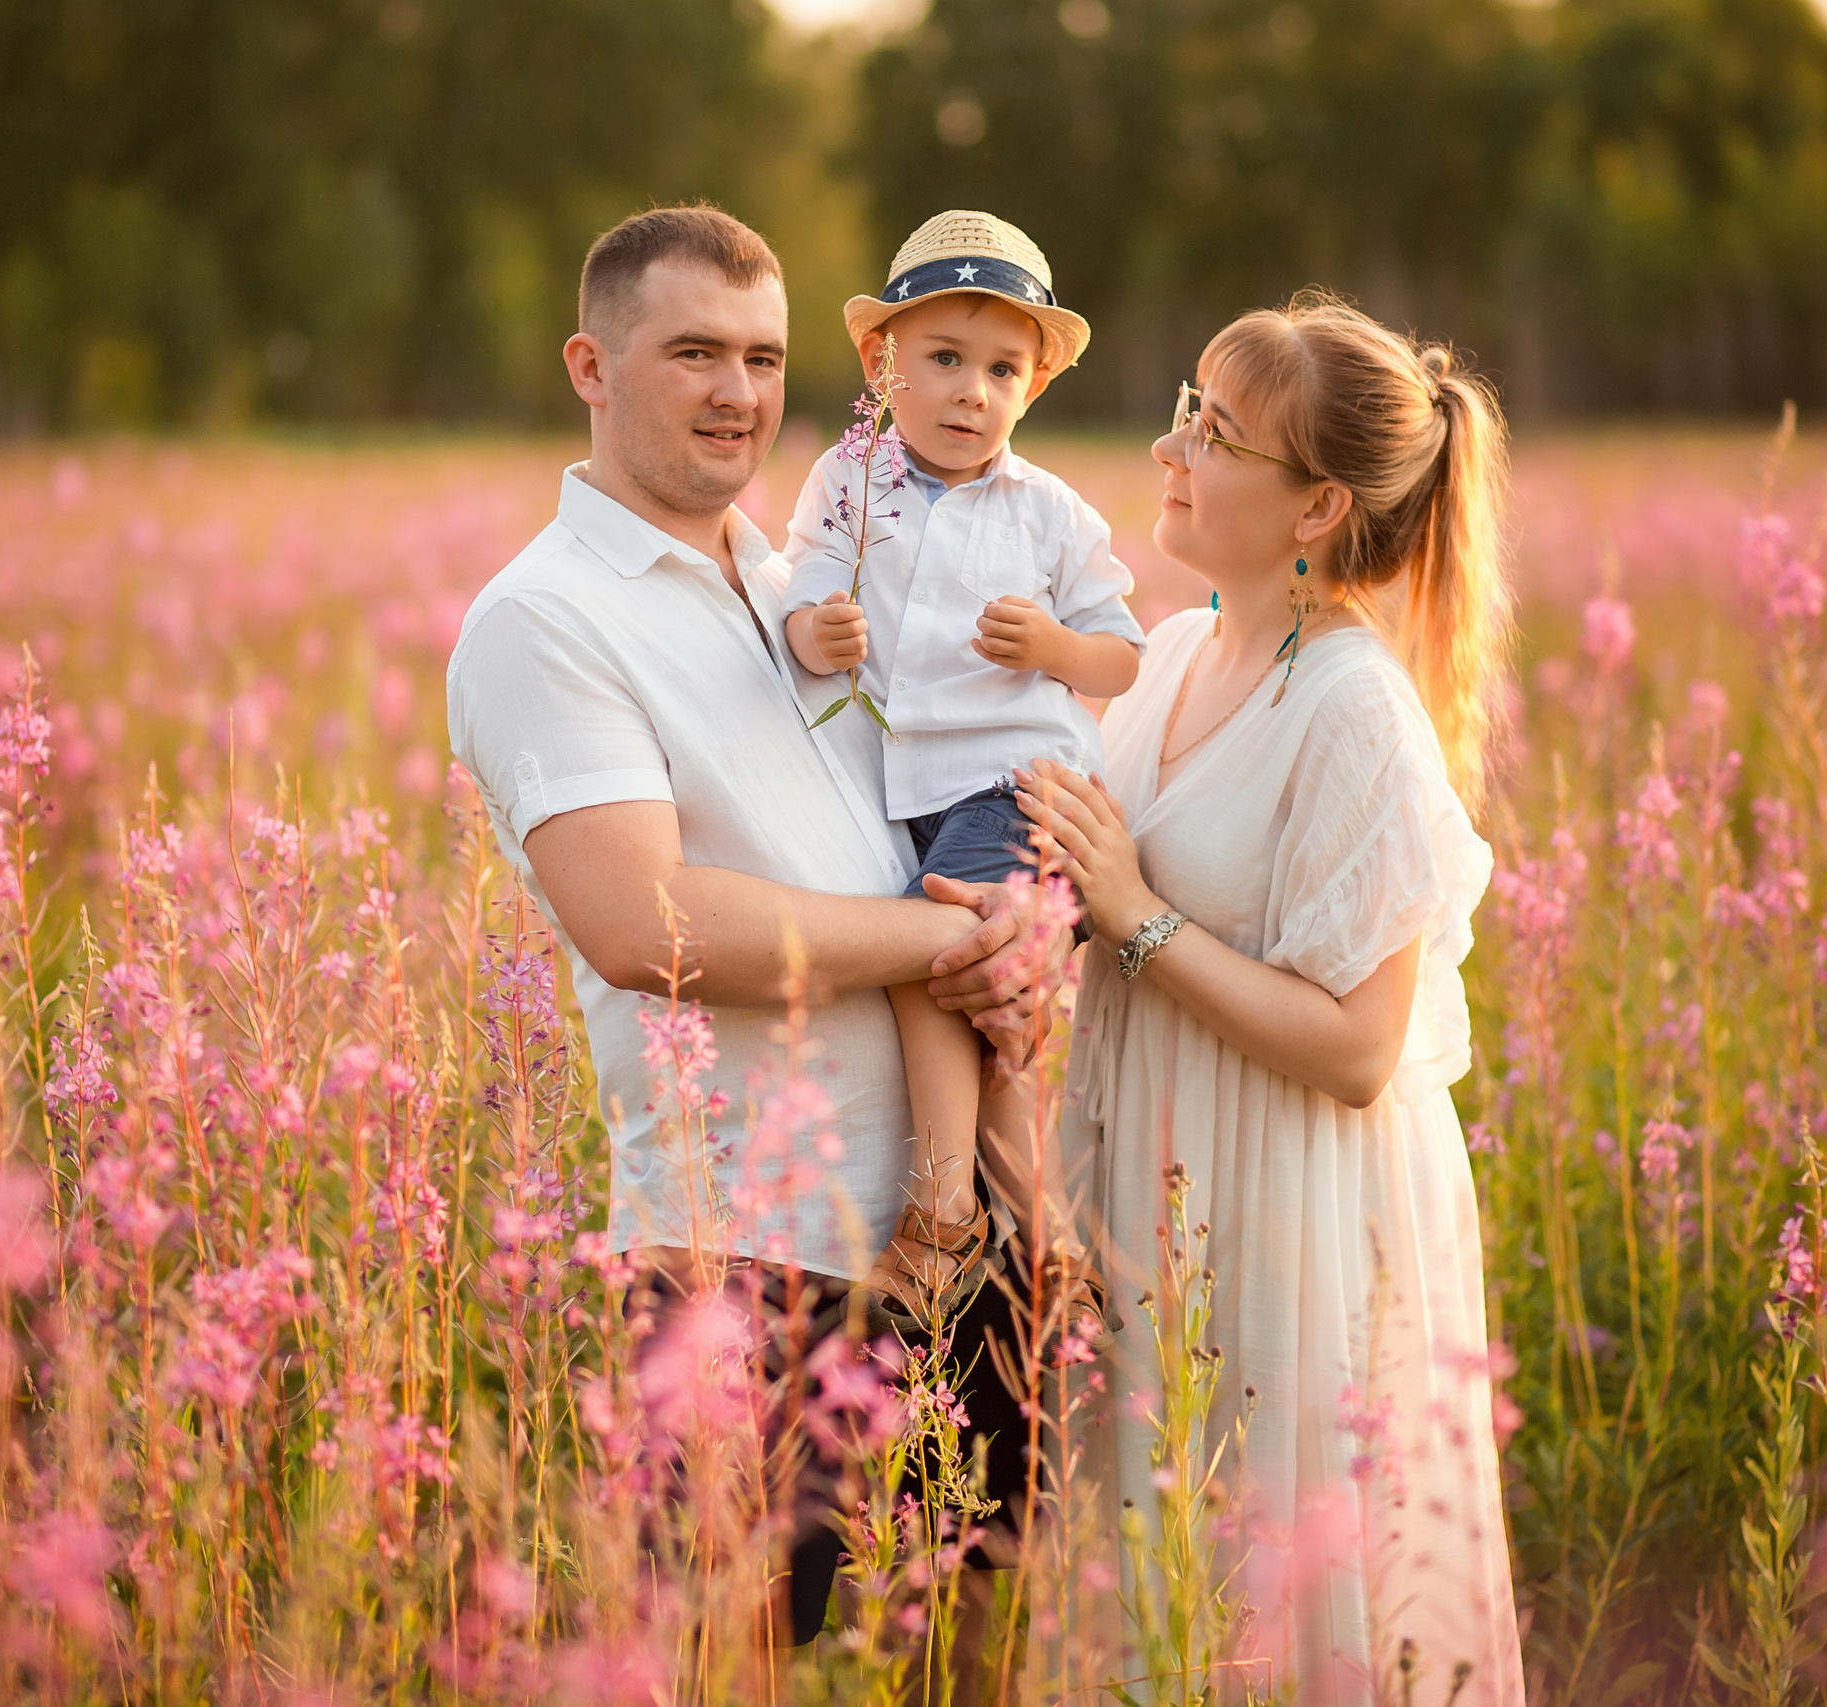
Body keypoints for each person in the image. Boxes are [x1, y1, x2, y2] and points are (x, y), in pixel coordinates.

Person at [442, 205, 1055, 1667]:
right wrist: (940, 944)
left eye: (767, 357)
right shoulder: (546, 617)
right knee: (732, 1648)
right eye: (695, 353)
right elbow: (644, 921)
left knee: (974, 1639)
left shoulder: (796, 584)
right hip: (744, 1249)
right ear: (590, 364)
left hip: (945, 1222)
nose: (740, 393)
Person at [1016, 291, 1526, 1706]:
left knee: (1266, 1572)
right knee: (1151, 1562)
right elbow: (1095, 894)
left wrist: (1132, 913)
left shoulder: (1356, 706)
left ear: (1316, 505)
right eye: (1187, 405)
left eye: (1218, 432)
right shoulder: (1178, 650)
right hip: (1156, 1173)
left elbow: (1362, 1049)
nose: (1174, 446)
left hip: (1289, 1198)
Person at [780, 209, 1142, 1339]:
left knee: (932, 955)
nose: (968, 392)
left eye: (1000, 369)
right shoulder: (846, 480)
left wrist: (1052, 652)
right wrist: (813, 637)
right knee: (989, 1019)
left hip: (1015, 792)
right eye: (942, 359)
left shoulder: (1049, 512)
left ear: (1031, 389)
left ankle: (942, 1212)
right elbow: (798, 587)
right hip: (903, 798)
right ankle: (1045, 1235)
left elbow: (1120, 655)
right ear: (883, 364)